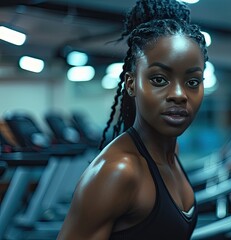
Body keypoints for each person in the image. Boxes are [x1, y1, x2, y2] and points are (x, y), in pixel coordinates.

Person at [57, 0, 208, 239]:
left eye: (192, 82)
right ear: (131, 84)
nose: (179, 95)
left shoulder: (172, 152)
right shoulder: (119, 172)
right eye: (159, 79)